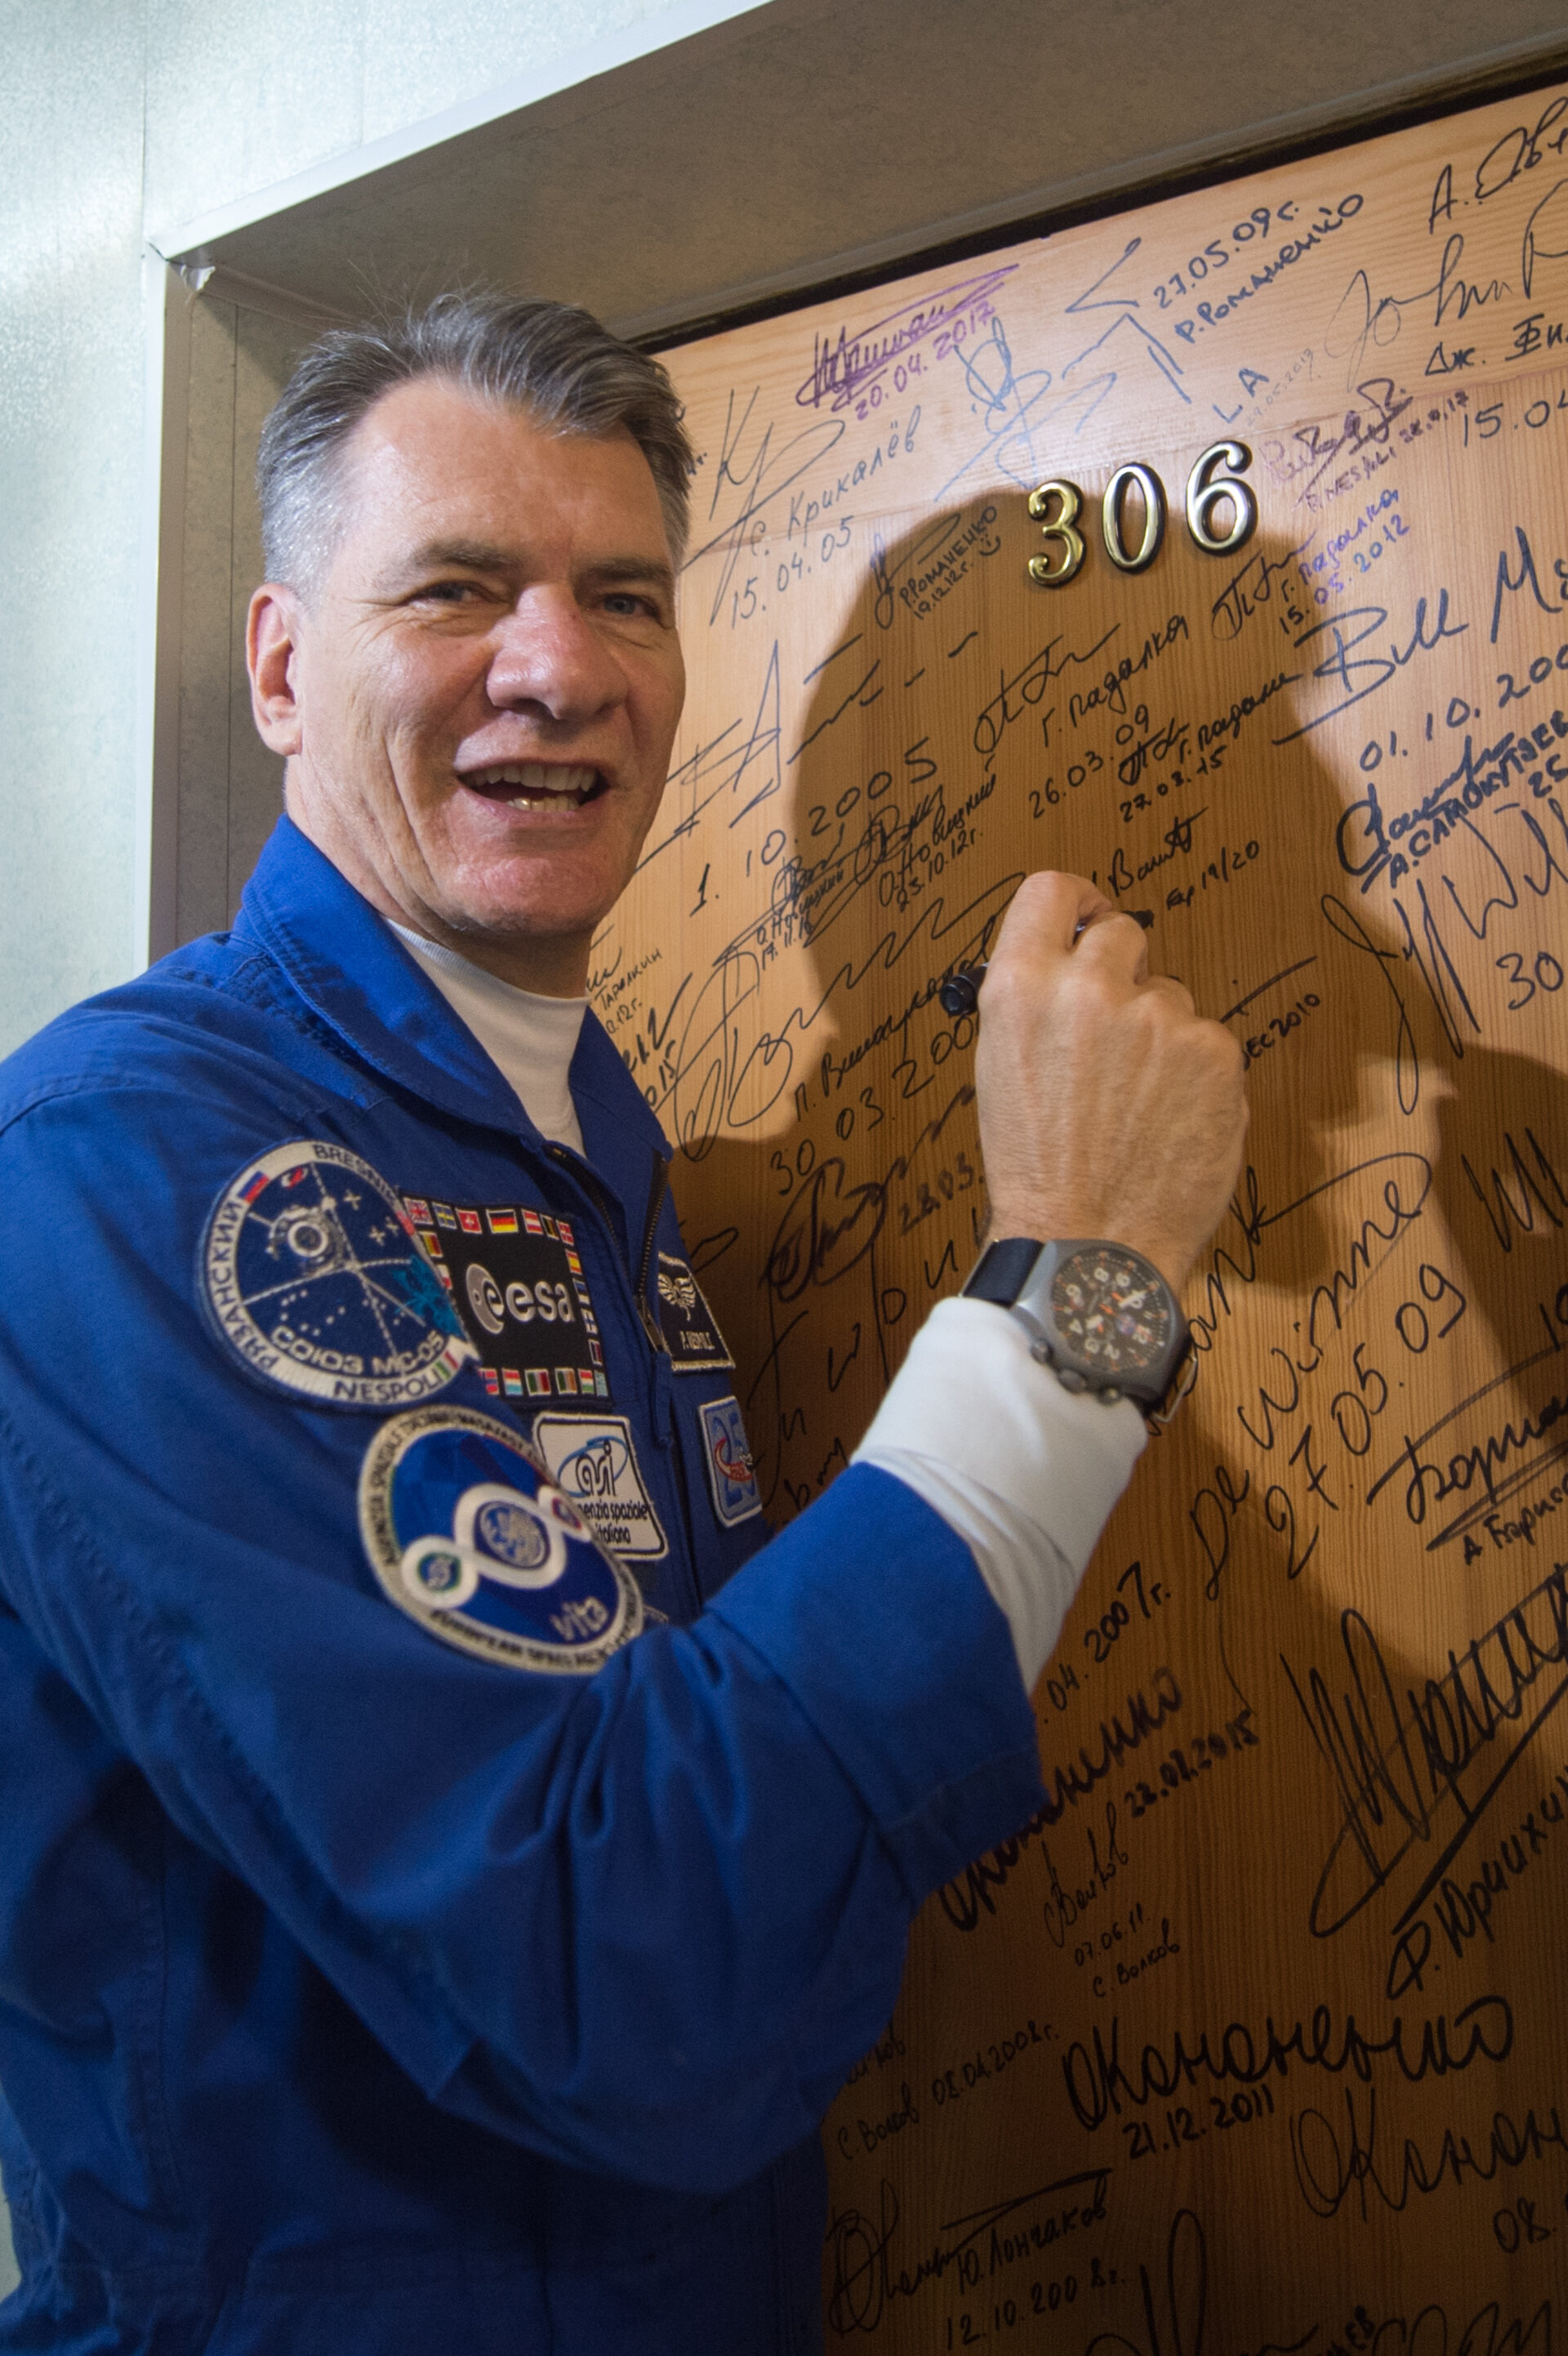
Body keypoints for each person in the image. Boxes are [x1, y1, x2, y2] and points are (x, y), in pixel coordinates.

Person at [0, 295, 1246, 2354]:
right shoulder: (131, 1164)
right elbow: (619, 1947)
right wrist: (1074, 1279)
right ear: (286, 666)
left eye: (626, 597)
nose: (559, 666)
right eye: (458, 588)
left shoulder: (584, 1136)